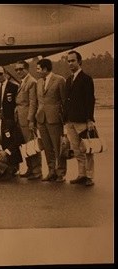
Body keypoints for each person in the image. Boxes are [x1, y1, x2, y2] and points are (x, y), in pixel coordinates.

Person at [62, 50, 96, 186]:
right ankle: (81, 174)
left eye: (73, 61)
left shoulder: (86, 79)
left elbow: (90, 100)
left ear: (79, 62)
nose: (70, 63)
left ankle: (89, 176)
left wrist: (89, 120)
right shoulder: (68, 80)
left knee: (87, 149)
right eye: (68, 61)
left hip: (82, 120)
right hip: (70, 120)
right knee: (77, 149)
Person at [35, 58, 67, 183]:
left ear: (45, 69)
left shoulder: (59, 80)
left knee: (58, 147)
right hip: (41, 119)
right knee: (47, 147)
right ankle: (51, 171)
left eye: (38, 69)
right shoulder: (38, 82)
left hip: (54, 119)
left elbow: (64, 100)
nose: (37, 71)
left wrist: (63, 118)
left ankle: (61, 172)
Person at [14, 60, 42, 180]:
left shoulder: (31, 82)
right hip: (20, 117)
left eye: (21, 69)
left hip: (27, 118)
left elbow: (33, 103)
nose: (19, 71)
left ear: (27, 69)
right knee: (25, 145)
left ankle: (37, 170)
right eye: (17, 69)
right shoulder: (22, 82)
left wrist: (31, 120)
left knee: (32, 144)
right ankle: (30, 168)